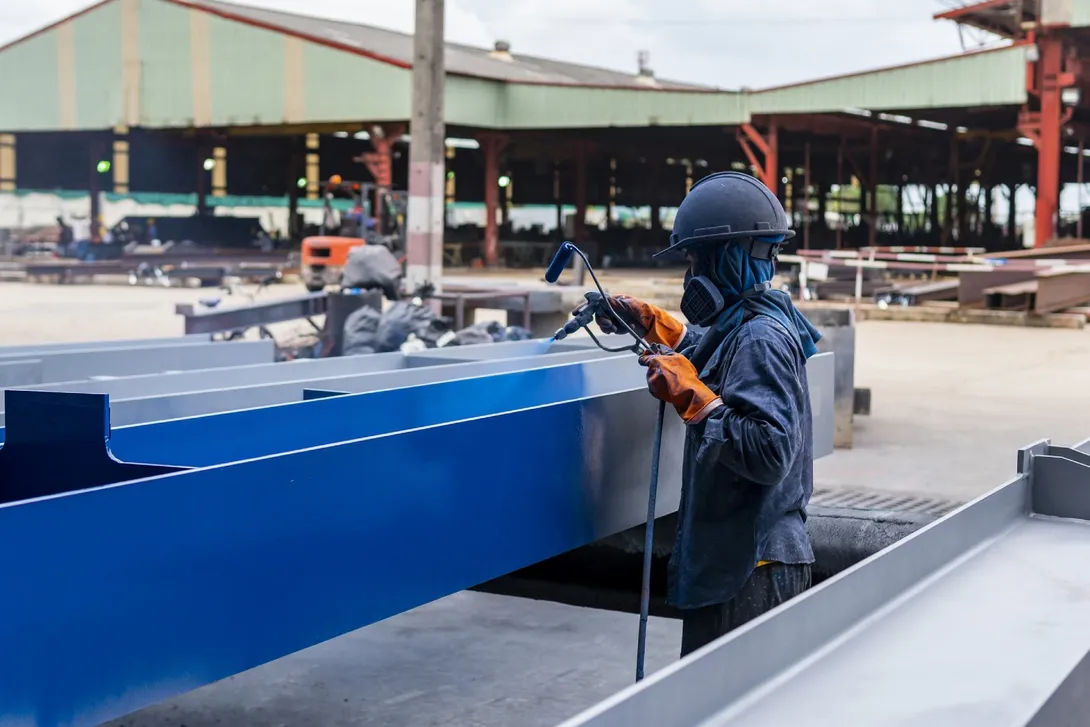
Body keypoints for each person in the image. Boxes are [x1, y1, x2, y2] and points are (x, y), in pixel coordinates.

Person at [595, 172, 822, 657]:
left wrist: (695, 401)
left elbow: (770, 450)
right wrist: (657, 325)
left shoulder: (761, 337)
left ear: (729, 255)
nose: (689, 276)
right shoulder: (746, 321)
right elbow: (714, 351)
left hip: (754, 568)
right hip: (743, 560)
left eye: (695, 260)